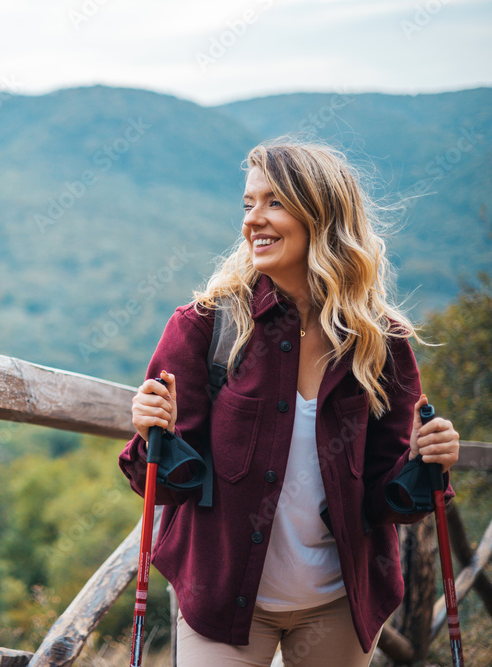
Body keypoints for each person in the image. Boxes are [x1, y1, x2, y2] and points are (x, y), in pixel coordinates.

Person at [118, 141, 460, 666]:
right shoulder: (205, 326)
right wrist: (150, 434)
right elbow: (161, 485)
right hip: (223, 602)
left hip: (337, 603)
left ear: (321, 214)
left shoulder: (380, 342)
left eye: (273, 202)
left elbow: (385, 499)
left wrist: (425, 461)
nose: (254, 219)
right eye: (248, 203)